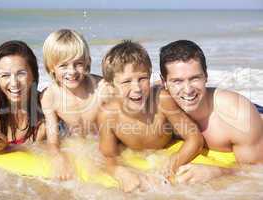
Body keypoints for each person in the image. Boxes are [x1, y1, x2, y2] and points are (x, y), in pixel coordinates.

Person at [97, 40, 203, 192]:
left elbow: (195, 138)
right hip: (135, 155)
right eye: (126, 81)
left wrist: (171, 165)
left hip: (165, 149)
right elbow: (107, 157)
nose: (137, 88)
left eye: (142, 79)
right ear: (111, 86)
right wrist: (119, 172)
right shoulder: (107, 114)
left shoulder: (162, 100)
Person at [159, 40, 263, 184]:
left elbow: (258, 170)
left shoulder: (238, 116)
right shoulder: (159, 103)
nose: (188, 89)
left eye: (195, 78)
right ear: (164, 82)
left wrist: (218, 171)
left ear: (206, 76)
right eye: (177, 81)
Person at [41, 29, 105, 180]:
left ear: (87, 62)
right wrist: (58, 157)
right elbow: (52, 140)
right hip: (73, 140)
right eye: (63, 65)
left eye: (78, 64)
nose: (72, 71)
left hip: (99, 140)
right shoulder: (49, 97)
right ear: (51, 67)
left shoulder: (101, 87)